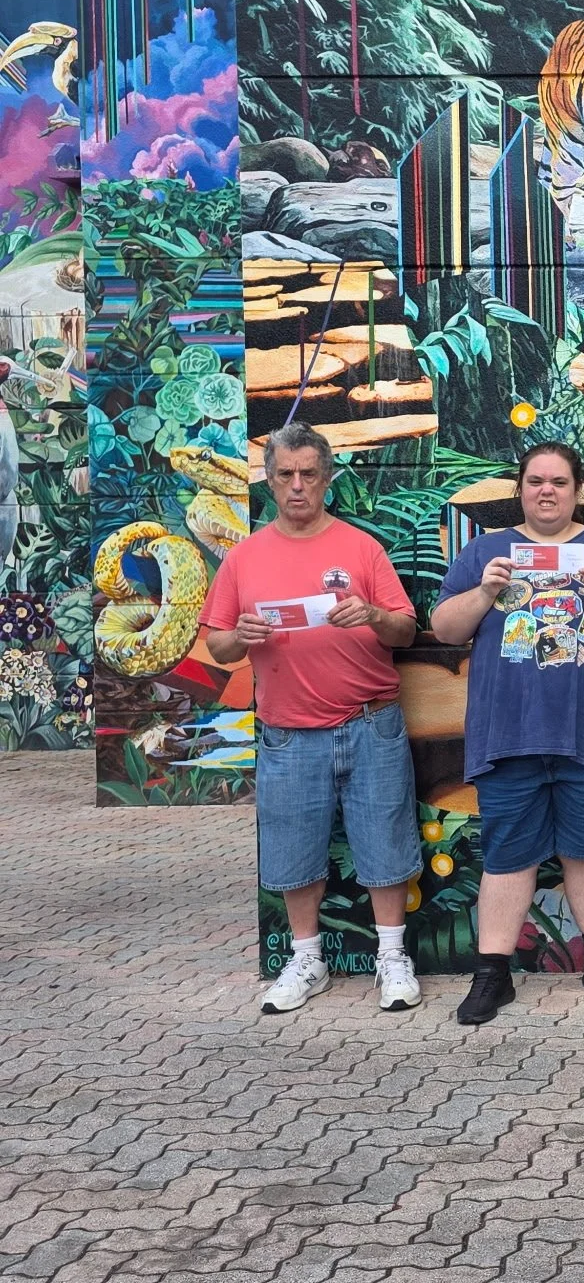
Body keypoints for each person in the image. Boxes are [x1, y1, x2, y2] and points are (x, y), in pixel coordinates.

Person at [432, 443, 584, 1026]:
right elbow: (444, 628)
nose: (547, 491)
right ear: (520, 488)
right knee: (507, 853)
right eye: (536, 481)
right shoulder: (486, 551)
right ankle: (493, 973)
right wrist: (484, 592)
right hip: (508, 733)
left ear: (576, 490)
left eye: (558, 482)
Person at [200, 422, 423, 1015]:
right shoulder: (244, 557)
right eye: (285, 475)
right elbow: (218, 645)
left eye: (308, 474)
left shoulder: (362, 548)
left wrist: (372, 614)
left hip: (371, 722)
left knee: (385, 841)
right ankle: (306, 960)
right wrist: (240, 636)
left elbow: (405, 630)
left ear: (326, 479)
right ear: (270, 482)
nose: (297, 485)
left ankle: (392, 957)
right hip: (288, 730)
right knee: (293, 848)